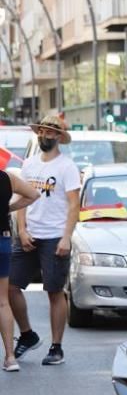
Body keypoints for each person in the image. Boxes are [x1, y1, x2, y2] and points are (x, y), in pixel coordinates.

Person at [8, 115, 81, 366]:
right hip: (30, 235)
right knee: (10, 287)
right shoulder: (28, 164)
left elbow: (74, 205)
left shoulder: (66, 167)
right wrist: (22, 230)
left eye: (51, 133)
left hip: (55, 237)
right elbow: (22, 201)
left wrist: (66, 237)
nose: (45, 136)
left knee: (54, 292)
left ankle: (56, 347)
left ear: (59, 137)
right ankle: (27, 335)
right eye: (42, 131)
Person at [0, 170, 39, 372]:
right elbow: (33, 194)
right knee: (2, 301)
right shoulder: (6, 178)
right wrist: (8, 207)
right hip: (2, 240)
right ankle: (10, 357)